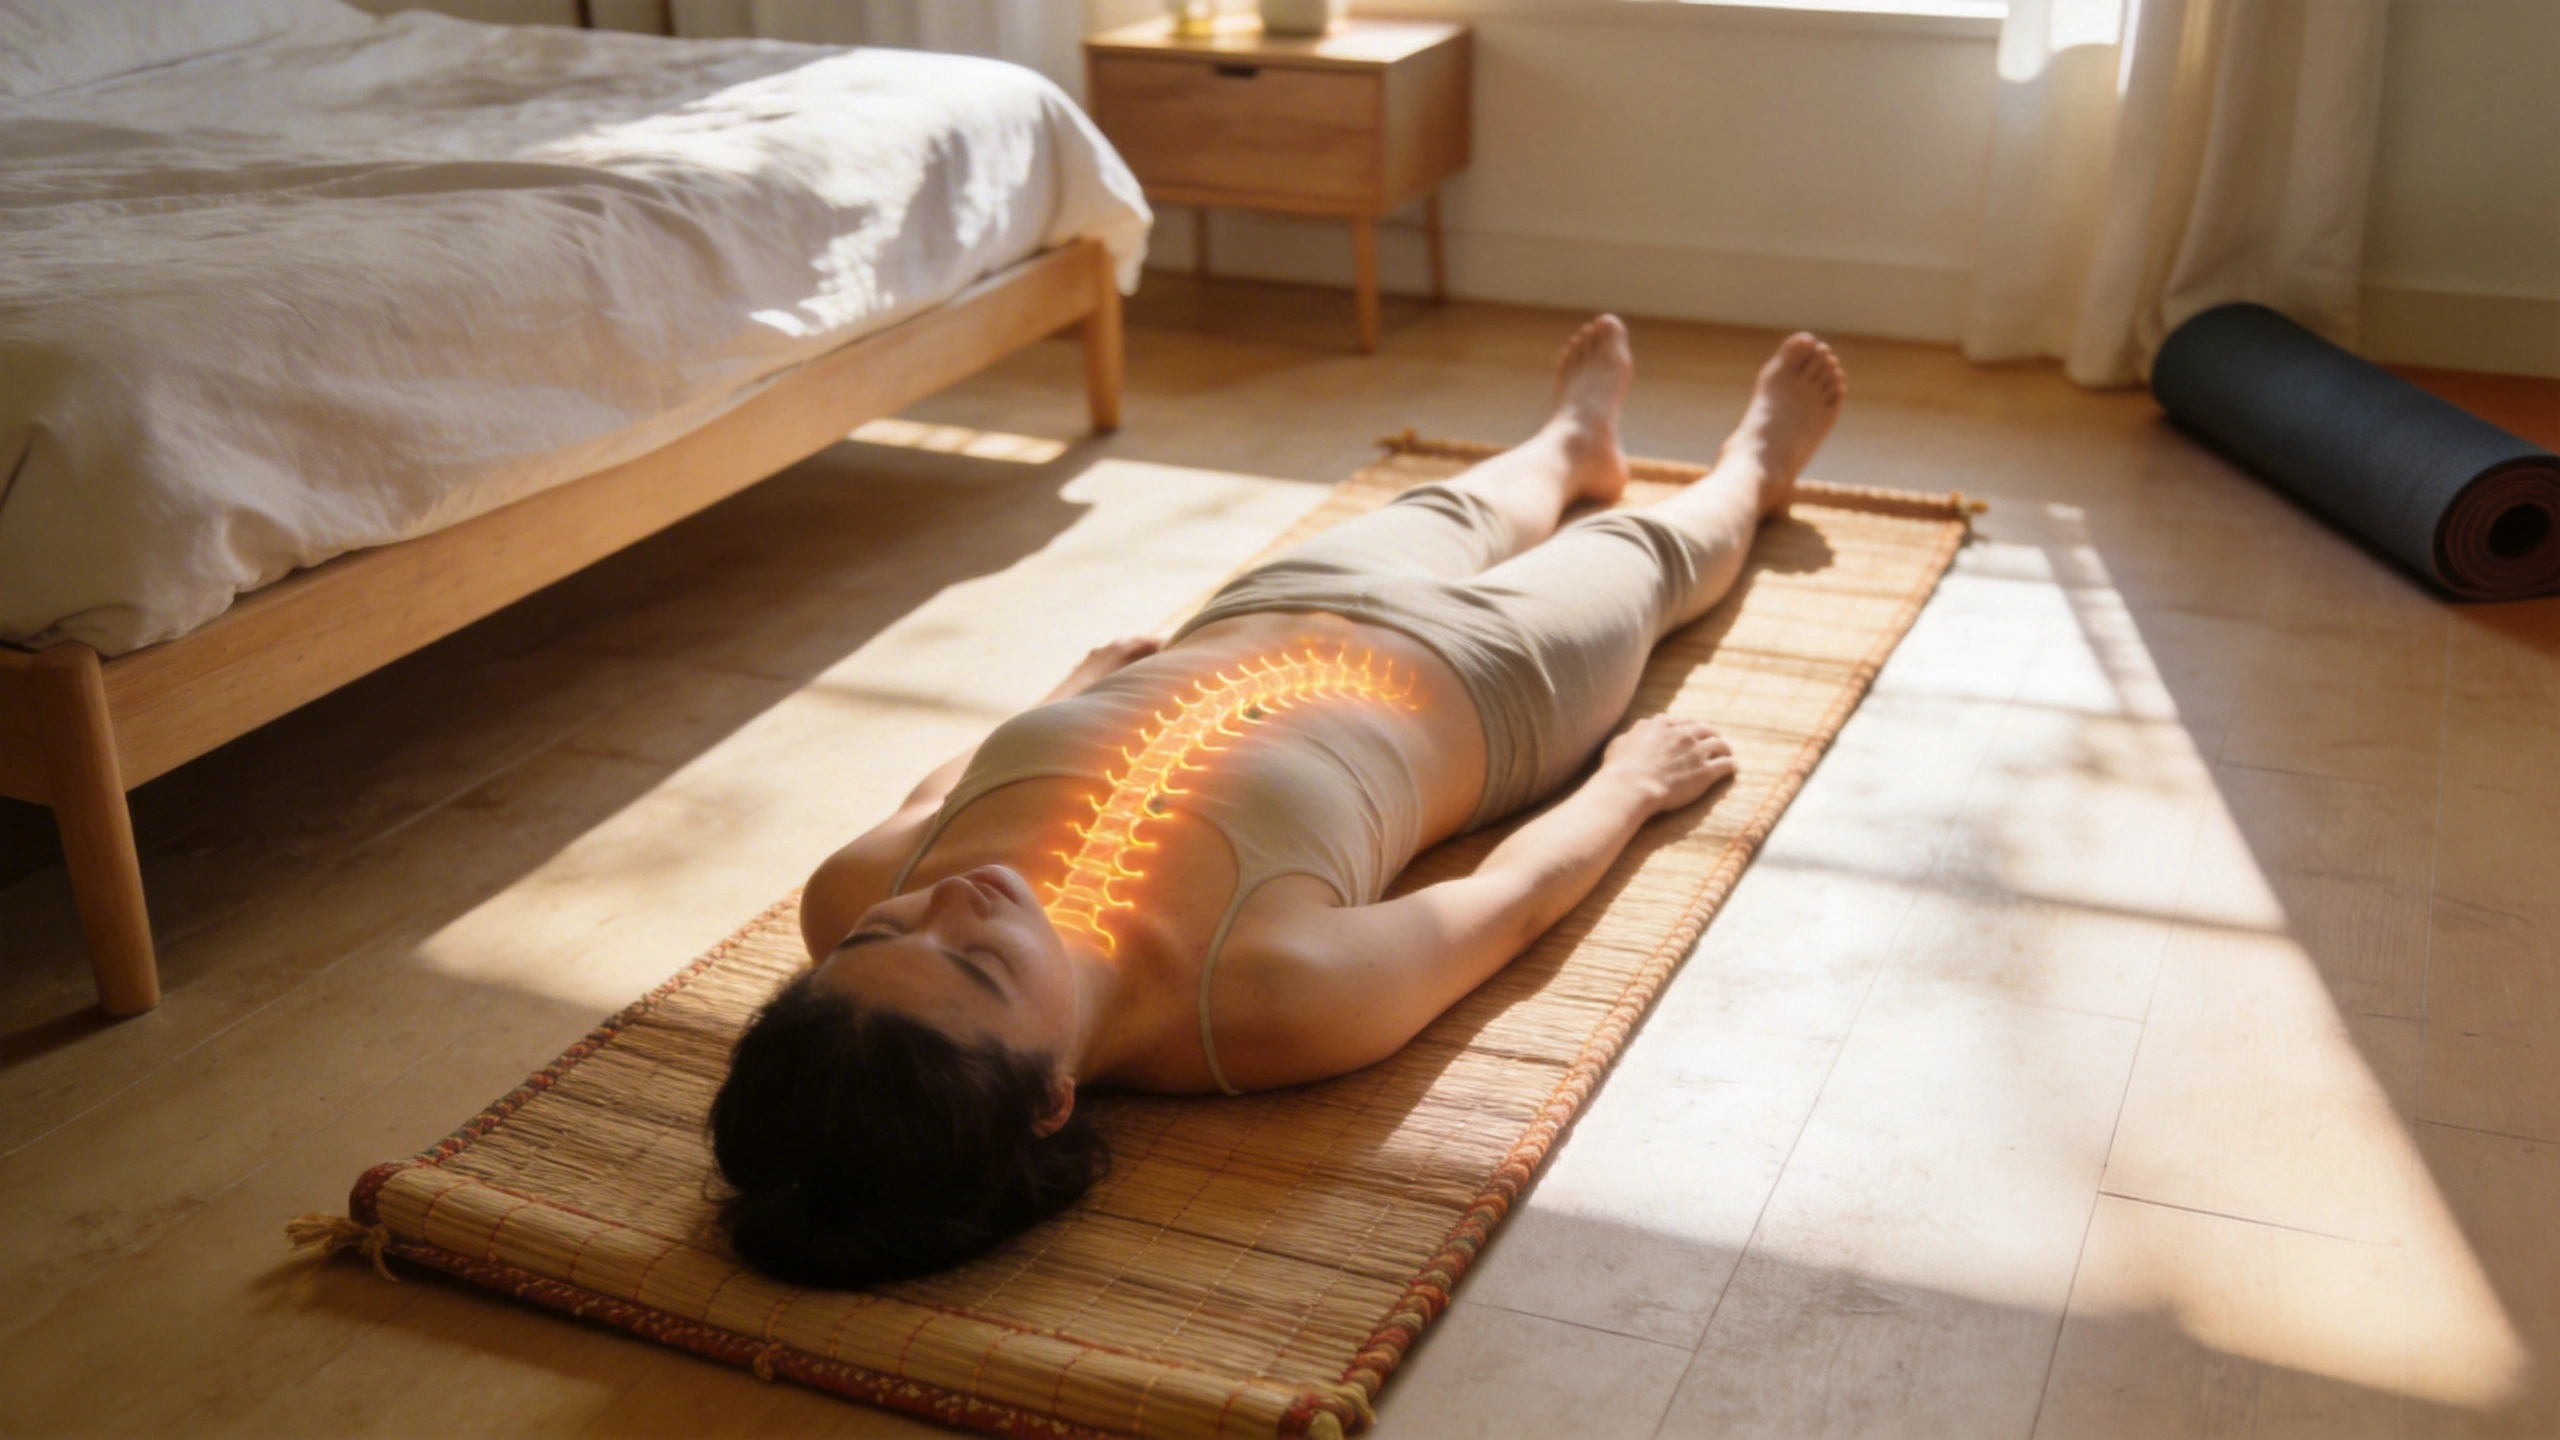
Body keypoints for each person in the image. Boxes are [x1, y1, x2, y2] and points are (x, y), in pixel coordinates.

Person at [708, 317, 1846, 1287]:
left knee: (1455, 505)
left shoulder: (845, 901)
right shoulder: (1264, 1003)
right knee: (1647, 549)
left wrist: (1072, 691)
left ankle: (1567, 441)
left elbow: (942, 792)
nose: (947, 900)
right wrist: (1630, 786)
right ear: (1051, 1096)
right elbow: (1503, 905)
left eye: (885, 933)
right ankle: (1752, 467)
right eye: (980, 962)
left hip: (1269, 607)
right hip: (1502, 684)